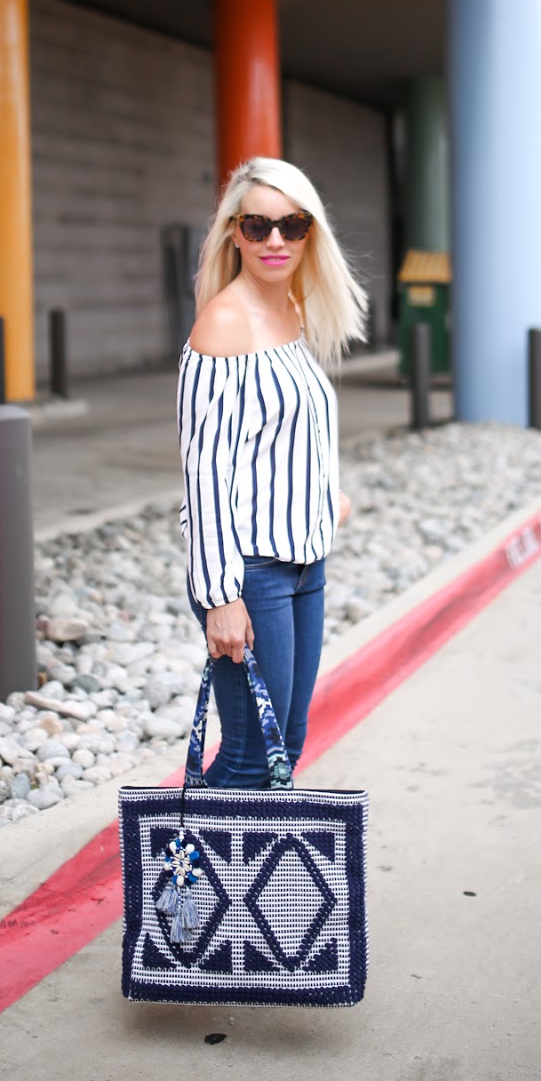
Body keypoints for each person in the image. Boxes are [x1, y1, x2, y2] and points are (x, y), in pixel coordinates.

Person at [177, 156, 367, 787]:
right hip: (250, 573)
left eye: (293, 224)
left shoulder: (291, 310)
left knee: (288, 740)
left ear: (312, 232)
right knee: (252, 755)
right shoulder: (224, 324)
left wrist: (326, 497)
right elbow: (205, 473)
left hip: (305, 563)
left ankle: (239, 855)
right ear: (235, 233)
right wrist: (220, 598)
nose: (275, 240)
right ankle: (188, 856)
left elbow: (289, 426)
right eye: (258, 226)